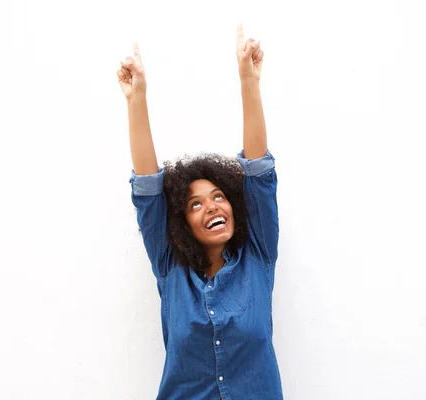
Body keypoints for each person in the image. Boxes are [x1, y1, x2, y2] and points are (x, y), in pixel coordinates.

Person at [117, 25, 283, 400]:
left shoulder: (257, 257)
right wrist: (136, 99)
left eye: (219, 196)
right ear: (181, 223)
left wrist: (248, 81)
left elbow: (259, 171)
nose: (212, 206)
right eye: (196, 204)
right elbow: (146, 189)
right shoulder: (170, 266)